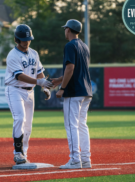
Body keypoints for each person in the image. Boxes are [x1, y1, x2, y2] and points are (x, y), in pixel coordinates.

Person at [5, 24, 53, 165]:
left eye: (28, 39)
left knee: (28, 125)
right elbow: (19, 76)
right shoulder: (12, 55)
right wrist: (40, 83)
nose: (26, 42)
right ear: (17, 40)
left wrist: (45, 87)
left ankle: (24, 152)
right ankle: (18, 153)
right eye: (23, 40)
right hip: (14, 89)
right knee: (19, 118)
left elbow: (39, 72)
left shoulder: (34, 53)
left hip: (29, 92)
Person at [51, 19, 93, 169]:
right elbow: (76, 71)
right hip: (86, 91)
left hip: (74, 92)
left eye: (65, 29)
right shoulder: (84, 46)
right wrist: (58, 80)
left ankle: (75, 159)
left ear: (68, 30)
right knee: (82, 125)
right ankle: (86, 159)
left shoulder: (70, 45)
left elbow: (70, 68)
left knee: (71, 125)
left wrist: (62, 88)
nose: (65, 31)